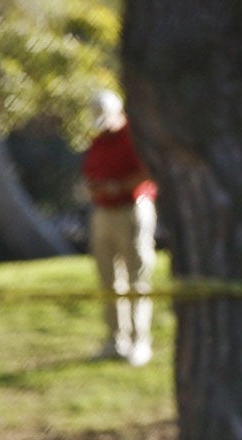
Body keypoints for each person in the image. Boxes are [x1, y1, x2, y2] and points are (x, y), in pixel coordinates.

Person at [81, 89, 156, 366]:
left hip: (132, 210)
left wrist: (119, 186)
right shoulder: (98, 140)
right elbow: (90, 171)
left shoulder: (135, 137)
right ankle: (116, 339)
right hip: (103, 211)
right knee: (108, 279)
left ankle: (140, 340)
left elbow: (148, 172)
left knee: (137, 277)